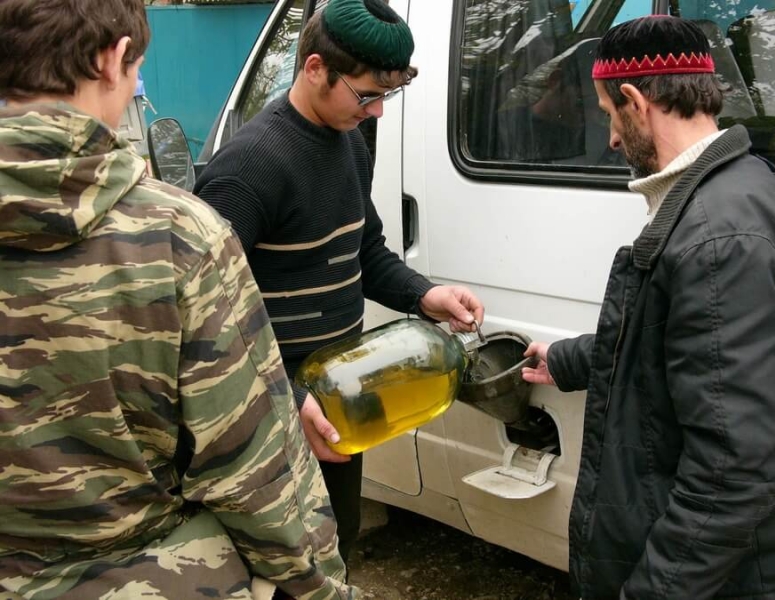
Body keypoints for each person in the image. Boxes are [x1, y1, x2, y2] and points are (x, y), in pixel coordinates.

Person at [0, 1, 356, 599]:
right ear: (113, 60)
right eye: (137, 70)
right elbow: (254, 471)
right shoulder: (178, 237)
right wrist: (324, 587)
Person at [194, 0, 484, 565]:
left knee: (336, 540)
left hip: (340, 390)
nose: (377, 113)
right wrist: (289, 400)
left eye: (387, 96)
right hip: (272, 407)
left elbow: (363, 248)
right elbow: (204, 318)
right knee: (279, 560)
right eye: (367, 95)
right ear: (315, 69)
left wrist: (424, 295)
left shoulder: (348, 139)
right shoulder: (249, 167)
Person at [522, 15, 775, 600]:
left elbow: (734, 472)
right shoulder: (739, 184)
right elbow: (680, 338)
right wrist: (570, 359)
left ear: (633, 100)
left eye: (607, 116)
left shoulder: (717, 238)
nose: (612, 139)